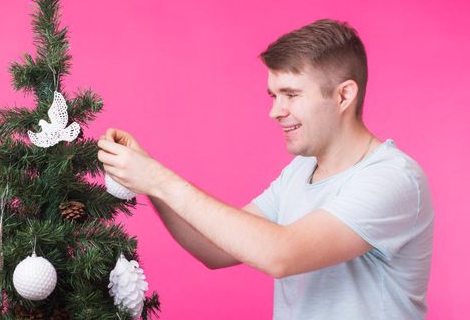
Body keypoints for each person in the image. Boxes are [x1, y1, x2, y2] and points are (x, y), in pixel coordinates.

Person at [97, 18, 434, 319]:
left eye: (290, 94)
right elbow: (217, 249)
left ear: (343, 96)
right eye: (273, 96)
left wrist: (157, 178)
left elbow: (281, 254)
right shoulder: (299, 171)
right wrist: (148, 181)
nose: (276, 111)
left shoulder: (393, 178)